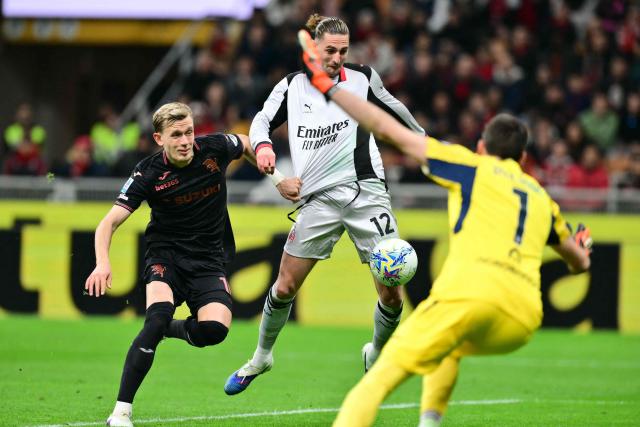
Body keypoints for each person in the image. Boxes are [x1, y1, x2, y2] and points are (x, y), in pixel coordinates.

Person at [297, 30, 593, 427]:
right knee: (447, 348)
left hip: (468, 296)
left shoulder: (470, 165)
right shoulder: (541, 197)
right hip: (522, 317)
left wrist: (325, 87)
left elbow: (388, 130)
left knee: (376, 381)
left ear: (483, 147)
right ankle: (430, 422)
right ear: (523, 158)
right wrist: (579, 246)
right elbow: (578, 263)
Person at [224, 14, 426, 395]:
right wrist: (267, 154)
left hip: (366, 192)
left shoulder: (363, 78)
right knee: (284, 287)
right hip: (317, 200)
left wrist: (428, 146)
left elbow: (397, 111)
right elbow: (260, 123)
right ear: (313, 49)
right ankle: (261, 357)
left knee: (392, 290)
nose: (337, 57)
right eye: (330, 50)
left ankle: (377, 353)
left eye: (343, 51)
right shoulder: (292, 87)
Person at [84, 102, 301, 427]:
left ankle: (164, 330)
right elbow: (108, 223)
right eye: (176, 135)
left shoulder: (213, 148)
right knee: (155, 319)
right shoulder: (148, 172)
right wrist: (102, 264)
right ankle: (120, 412)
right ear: (160, 138)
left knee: (214, 331)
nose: (186, 140)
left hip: (209, 260)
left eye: (188, 131)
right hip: (165, 257)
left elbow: (244, 142)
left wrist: (277, 179)